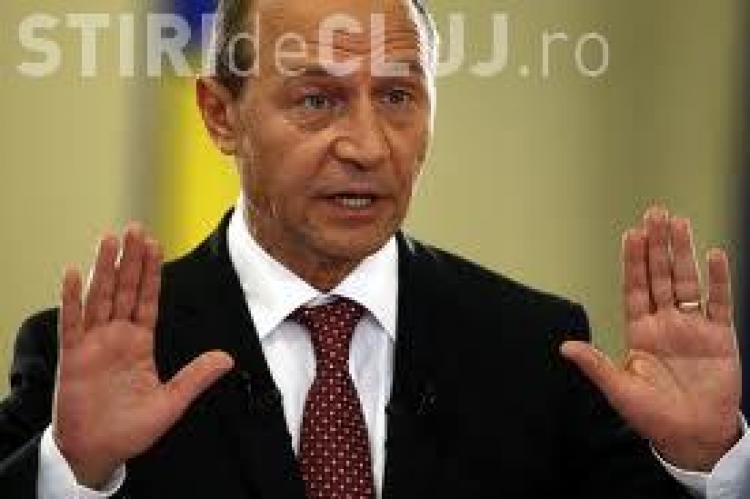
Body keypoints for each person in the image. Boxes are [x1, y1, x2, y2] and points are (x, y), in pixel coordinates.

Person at [1, 0, 749, 497]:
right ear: (221, 115)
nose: (365, 145)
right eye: (316, 99)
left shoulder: (534, 349)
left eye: (396, 97)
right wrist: (76, 473)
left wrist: (705, 463)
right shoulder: (90, 364)